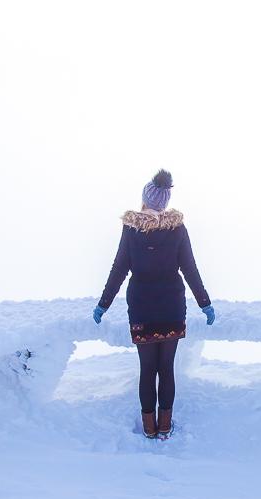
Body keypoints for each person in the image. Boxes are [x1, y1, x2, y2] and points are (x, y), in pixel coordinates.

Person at [92, 169, 215, 438]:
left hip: (142, 308)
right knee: (166, 368)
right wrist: (204, 302)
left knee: (147, 369)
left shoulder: (131, 229)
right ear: (165, 201)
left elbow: (119, 268)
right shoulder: (177, 228)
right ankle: (165, 426)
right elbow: (189, 268)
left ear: (145, 199)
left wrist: (104, 304)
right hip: (171, 306)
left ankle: (149, 427)